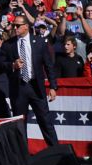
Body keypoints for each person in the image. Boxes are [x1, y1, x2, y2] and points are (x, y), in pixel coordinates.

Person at [5, 14, 59, 145]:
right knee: (20, 124)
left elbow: (48, 65)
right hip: (19, 88)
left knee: (45, 121)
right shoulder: (8, 44)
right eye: (14, 25)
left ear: (26, 26)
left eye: (17, 25)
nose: (15, 28)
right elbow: (2, 64)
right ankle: (22, 157)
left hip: (36, 86)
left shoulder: (39, 42)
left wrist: (53, 86)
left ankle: (57, 152)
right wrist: (12, 65)